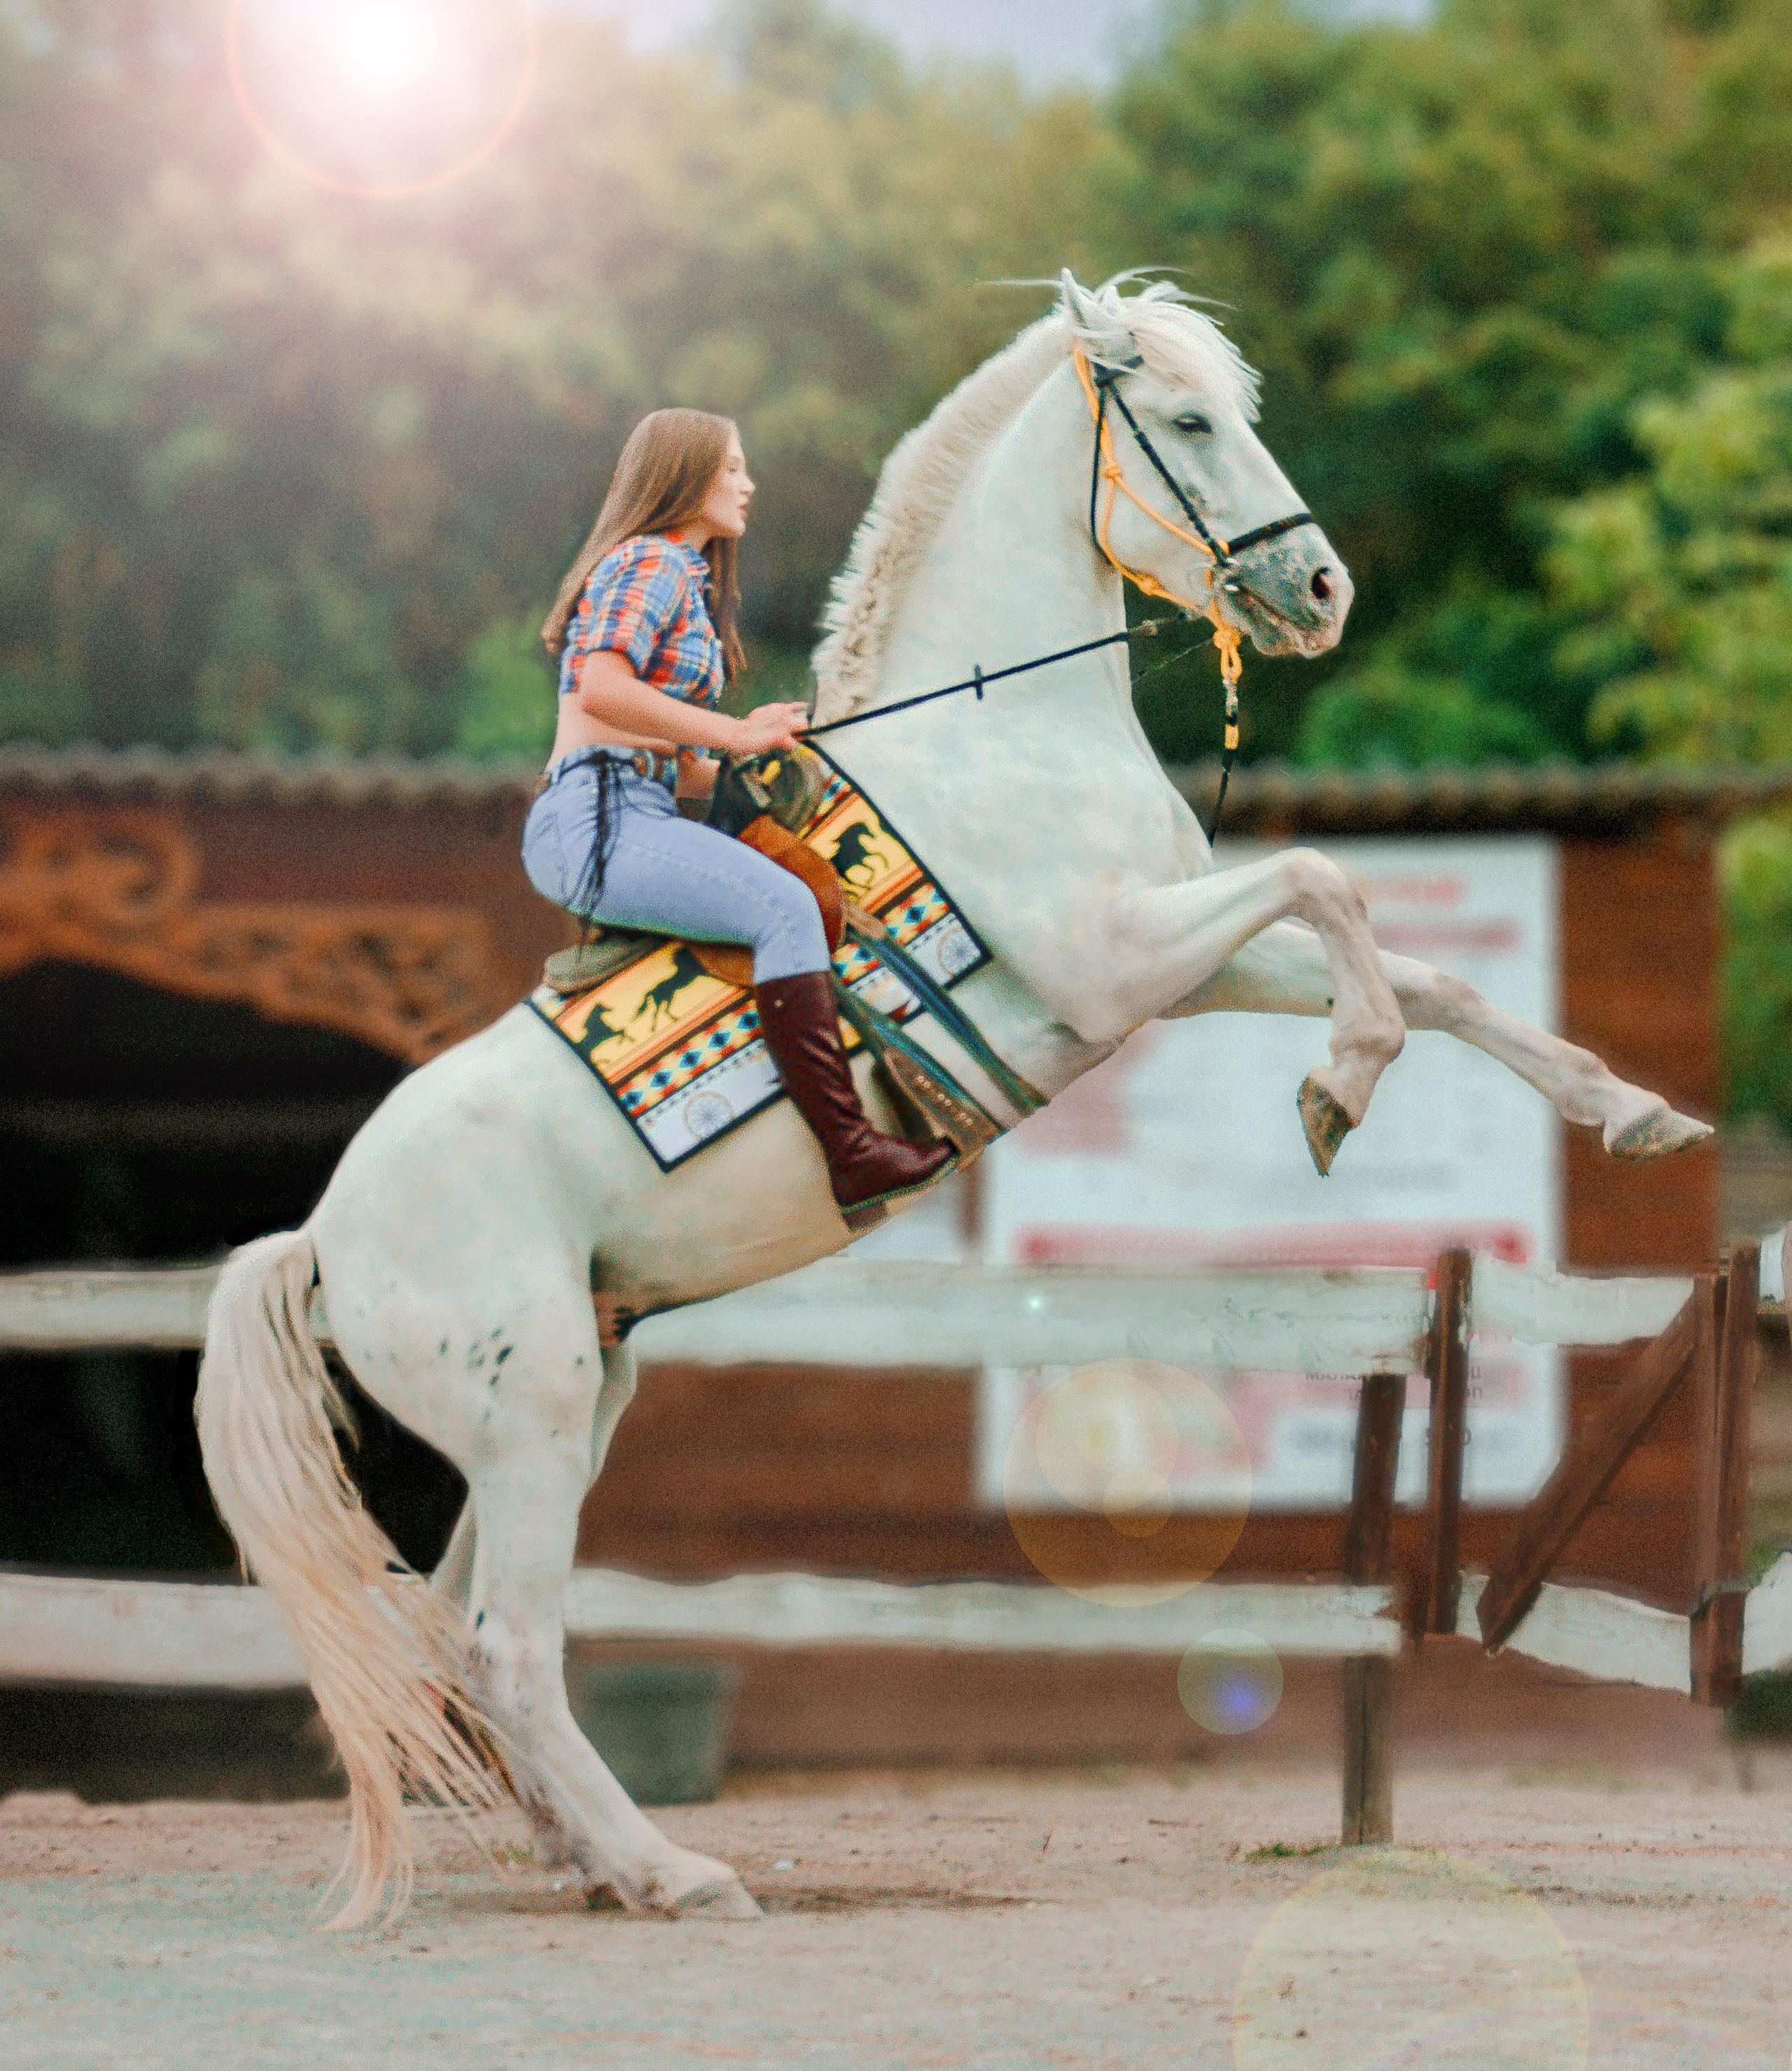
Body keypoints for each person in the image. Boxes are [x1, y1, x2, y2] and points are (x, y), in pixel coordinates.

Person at [526, 407, 955, 1226]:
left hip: (634, 805)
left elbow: (653, 738)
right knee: (783, 906)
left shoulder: (683, 578)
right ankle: (851, 1150)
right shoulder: (649, 561)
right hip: (598, 818)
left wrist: (730, 761)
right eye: (729, 468)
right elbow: (601, 691)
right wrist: (731, 731)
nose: (746, 483)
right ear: (682, 475)